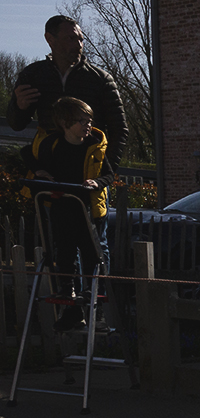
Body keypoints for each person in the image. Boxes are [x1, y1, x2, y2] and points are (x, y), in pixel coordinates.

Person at [21, 96, 115, 332]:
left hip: (87, 210)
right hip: (62, 207)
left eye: (89, 120)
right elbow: (27, 154)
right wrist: (40, 171)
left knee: (93, 255)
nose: (87, 125)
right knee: (64, 252)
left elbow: (109, 175)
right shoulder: (52, 145)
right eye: (82, 121)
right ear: (64, 123)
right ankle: (70, 303)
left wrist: (97, 182)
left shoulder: (93, 146)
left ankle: (96, 306)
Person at [7, 15, 129, 169]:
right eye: (71, 38)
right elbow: (16, 125)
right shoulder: (33, 75)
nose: (78, 45)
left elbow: (119, 129)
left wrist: (105, 170)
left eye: (81, 39)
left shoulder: (101, 79)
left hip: (88, 168)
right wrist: (19, 107)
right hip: (49, 168)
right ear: (50, 39)